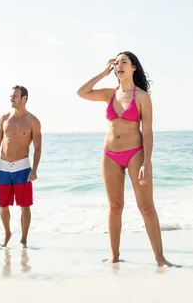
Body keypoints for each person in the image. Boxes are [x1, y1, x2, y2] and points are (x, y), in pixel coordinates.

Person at [77, 51, 172, 267]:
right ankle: (114, 256)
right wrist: (103, 73)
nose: (119, 65)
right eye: (117, 62)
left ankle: (160, 258)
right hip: (109, 154)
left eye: (124, 62)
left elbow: (147, 131)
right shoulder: (109, 94)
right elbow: (81, 92)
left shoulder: (142, 97)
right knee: (115, 206)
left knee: (146, 206)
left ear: (133, 68)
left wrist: (147, 163)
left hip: (135, 153)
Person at [0, 85, 42, 248]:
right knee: (3, 205)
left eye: (15, 96)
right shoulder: (4, 118)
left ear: (24, 99)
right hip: (3, 167)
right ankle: (7, 233)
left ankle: (24, 239)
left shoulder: (33, 121)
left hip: (23, 168)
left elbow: (37, 148)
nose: (11, 99)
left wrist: (35, 169)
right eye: (11, 96)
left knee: (25, 206)